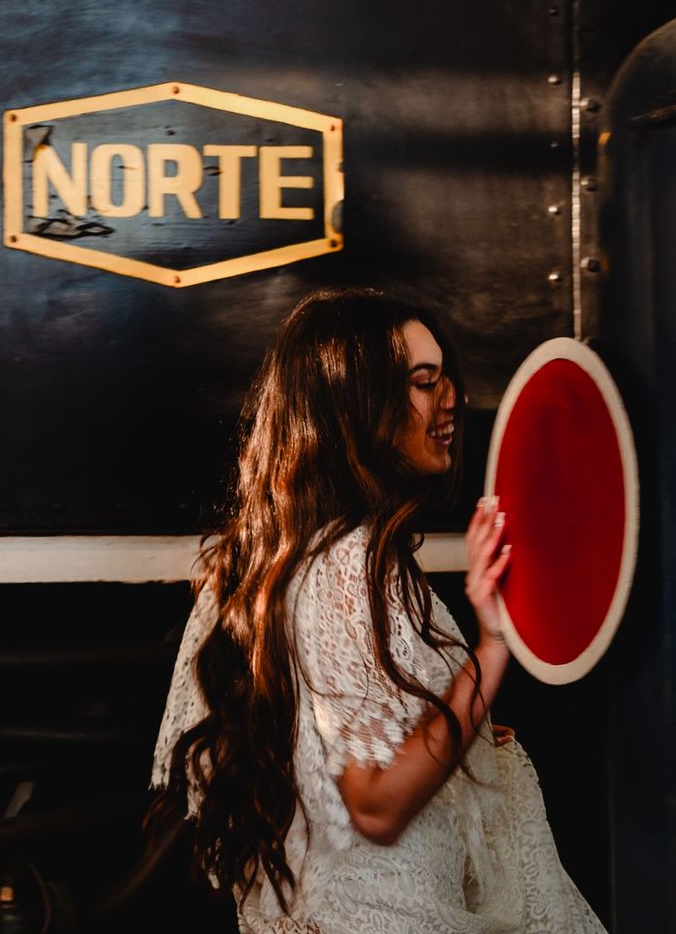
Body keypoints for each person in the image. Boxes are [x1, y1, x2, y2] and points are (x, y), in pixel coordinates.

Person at [148, 289, 605, 933]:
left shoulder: (292, 554)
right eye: (423, 381)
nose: (449, 398)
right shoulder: (347, 562)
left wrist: (460, 736)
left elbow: (341, 750)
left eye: (444, 375)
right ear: (358, 410)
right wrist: (493, 648)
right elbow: (378, 804)